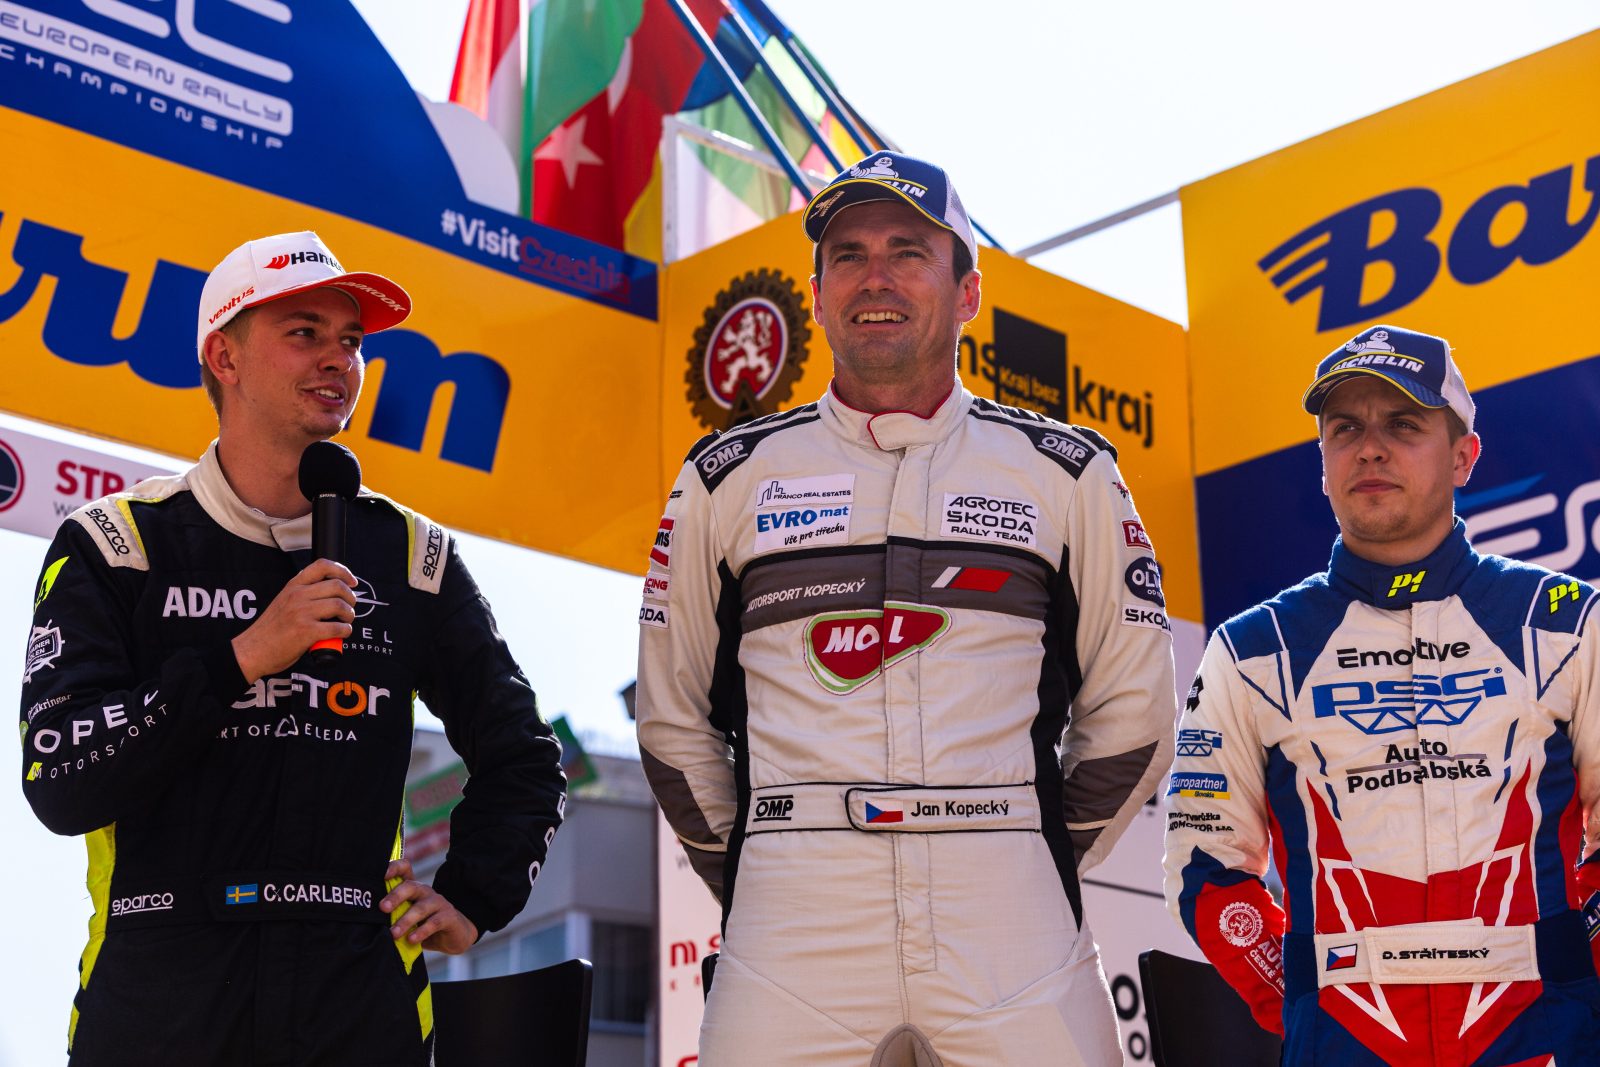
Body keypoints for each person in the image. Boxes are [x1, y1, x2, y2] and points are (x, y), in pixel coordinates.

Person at [636, 152, 1175, 1066]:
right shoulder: (725, 476)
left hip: (1007, 902)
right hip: (793, 909)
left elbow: (1136, 710)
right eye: (848, 255)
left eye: (907, 252)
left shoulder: (1067, 470)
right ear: (815, 296)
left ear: (968, 292)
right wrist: (765, 860)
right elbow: (671, 721)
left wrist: (1029, 842)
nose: (875, 277)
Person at [18, 231, 567, 1066]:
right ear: (225, 357)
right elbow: (61, 778)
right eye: (304, 332)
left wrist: (474, 894)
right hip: (160, 1000)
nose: (338, 359)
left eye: (351, 340)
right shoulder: (117, 543)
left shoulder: (410, 556)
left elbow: (524, 755)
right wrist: (240, 658)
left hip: (354, 1004)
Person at [1163, 324, 1600, 1063]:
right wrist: (1309, 1001)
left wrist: (1580, 985)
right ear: (1323, 463)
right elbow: (1205, 868)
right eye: (1346, 429)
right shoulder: (1253, 648)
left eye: (1402, 424)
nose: (1370, 448)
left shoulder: (1566, 623)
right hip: (1343, 1044)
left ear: (1463, 455)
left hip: (1543, 1039)